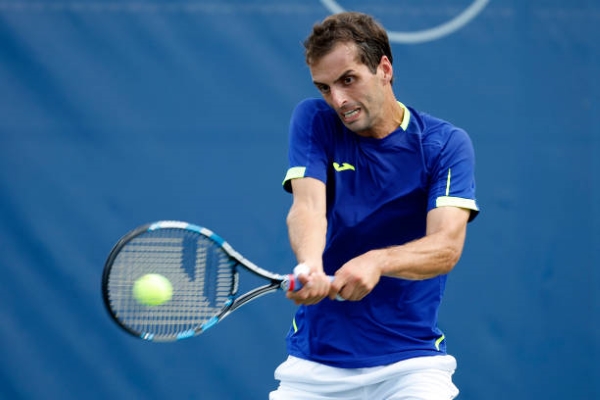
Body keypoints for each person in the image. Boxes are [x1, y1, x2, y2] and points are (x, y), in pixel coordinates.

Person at [270, 11, 479, 400]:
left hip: (411, 366)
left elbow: (446, 247)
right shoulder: (315, 121)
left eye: (348, 80)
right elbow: (308, 207)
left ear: (384, 68)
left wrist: (378, 261)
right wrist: (310, 265)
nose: (339, 100)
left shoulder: (445, 144)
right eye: (325, 87)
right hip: (314, 366)